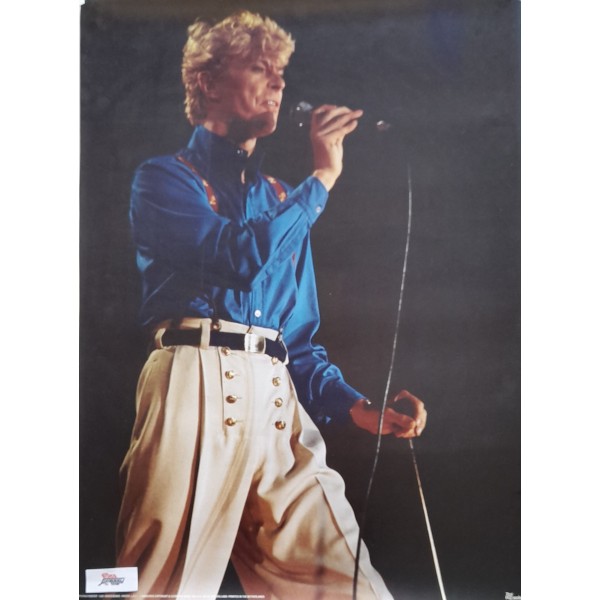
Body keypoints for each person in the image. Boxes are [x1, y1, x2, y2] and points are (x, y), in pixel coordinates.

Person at [116, 10, 427, 599]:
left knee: (349, 585)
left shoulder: (283, 198)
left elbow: (298, 341)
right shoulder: (163, 179)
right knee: (153, 586)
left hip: (277, 398)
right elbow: (233, 257)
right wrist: (322, 179)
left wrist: (357, 406)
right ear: (207, 81)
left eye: (282, 71)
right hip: (194, 377)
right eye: (260, 68)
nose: (280, 83)